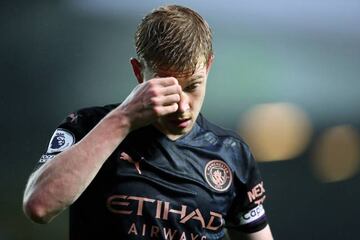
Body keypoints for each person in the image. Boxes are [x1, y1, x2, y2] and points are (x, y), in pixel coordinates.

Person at [23, 5, 273, 240]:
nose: (182, 106)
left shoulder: (231, 153)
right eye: (167, 87)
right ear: (139, 72)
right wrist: (123, 119)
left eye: (193, 86)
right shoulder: (88, 127)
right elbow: (39, 206)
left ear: (208, 66)